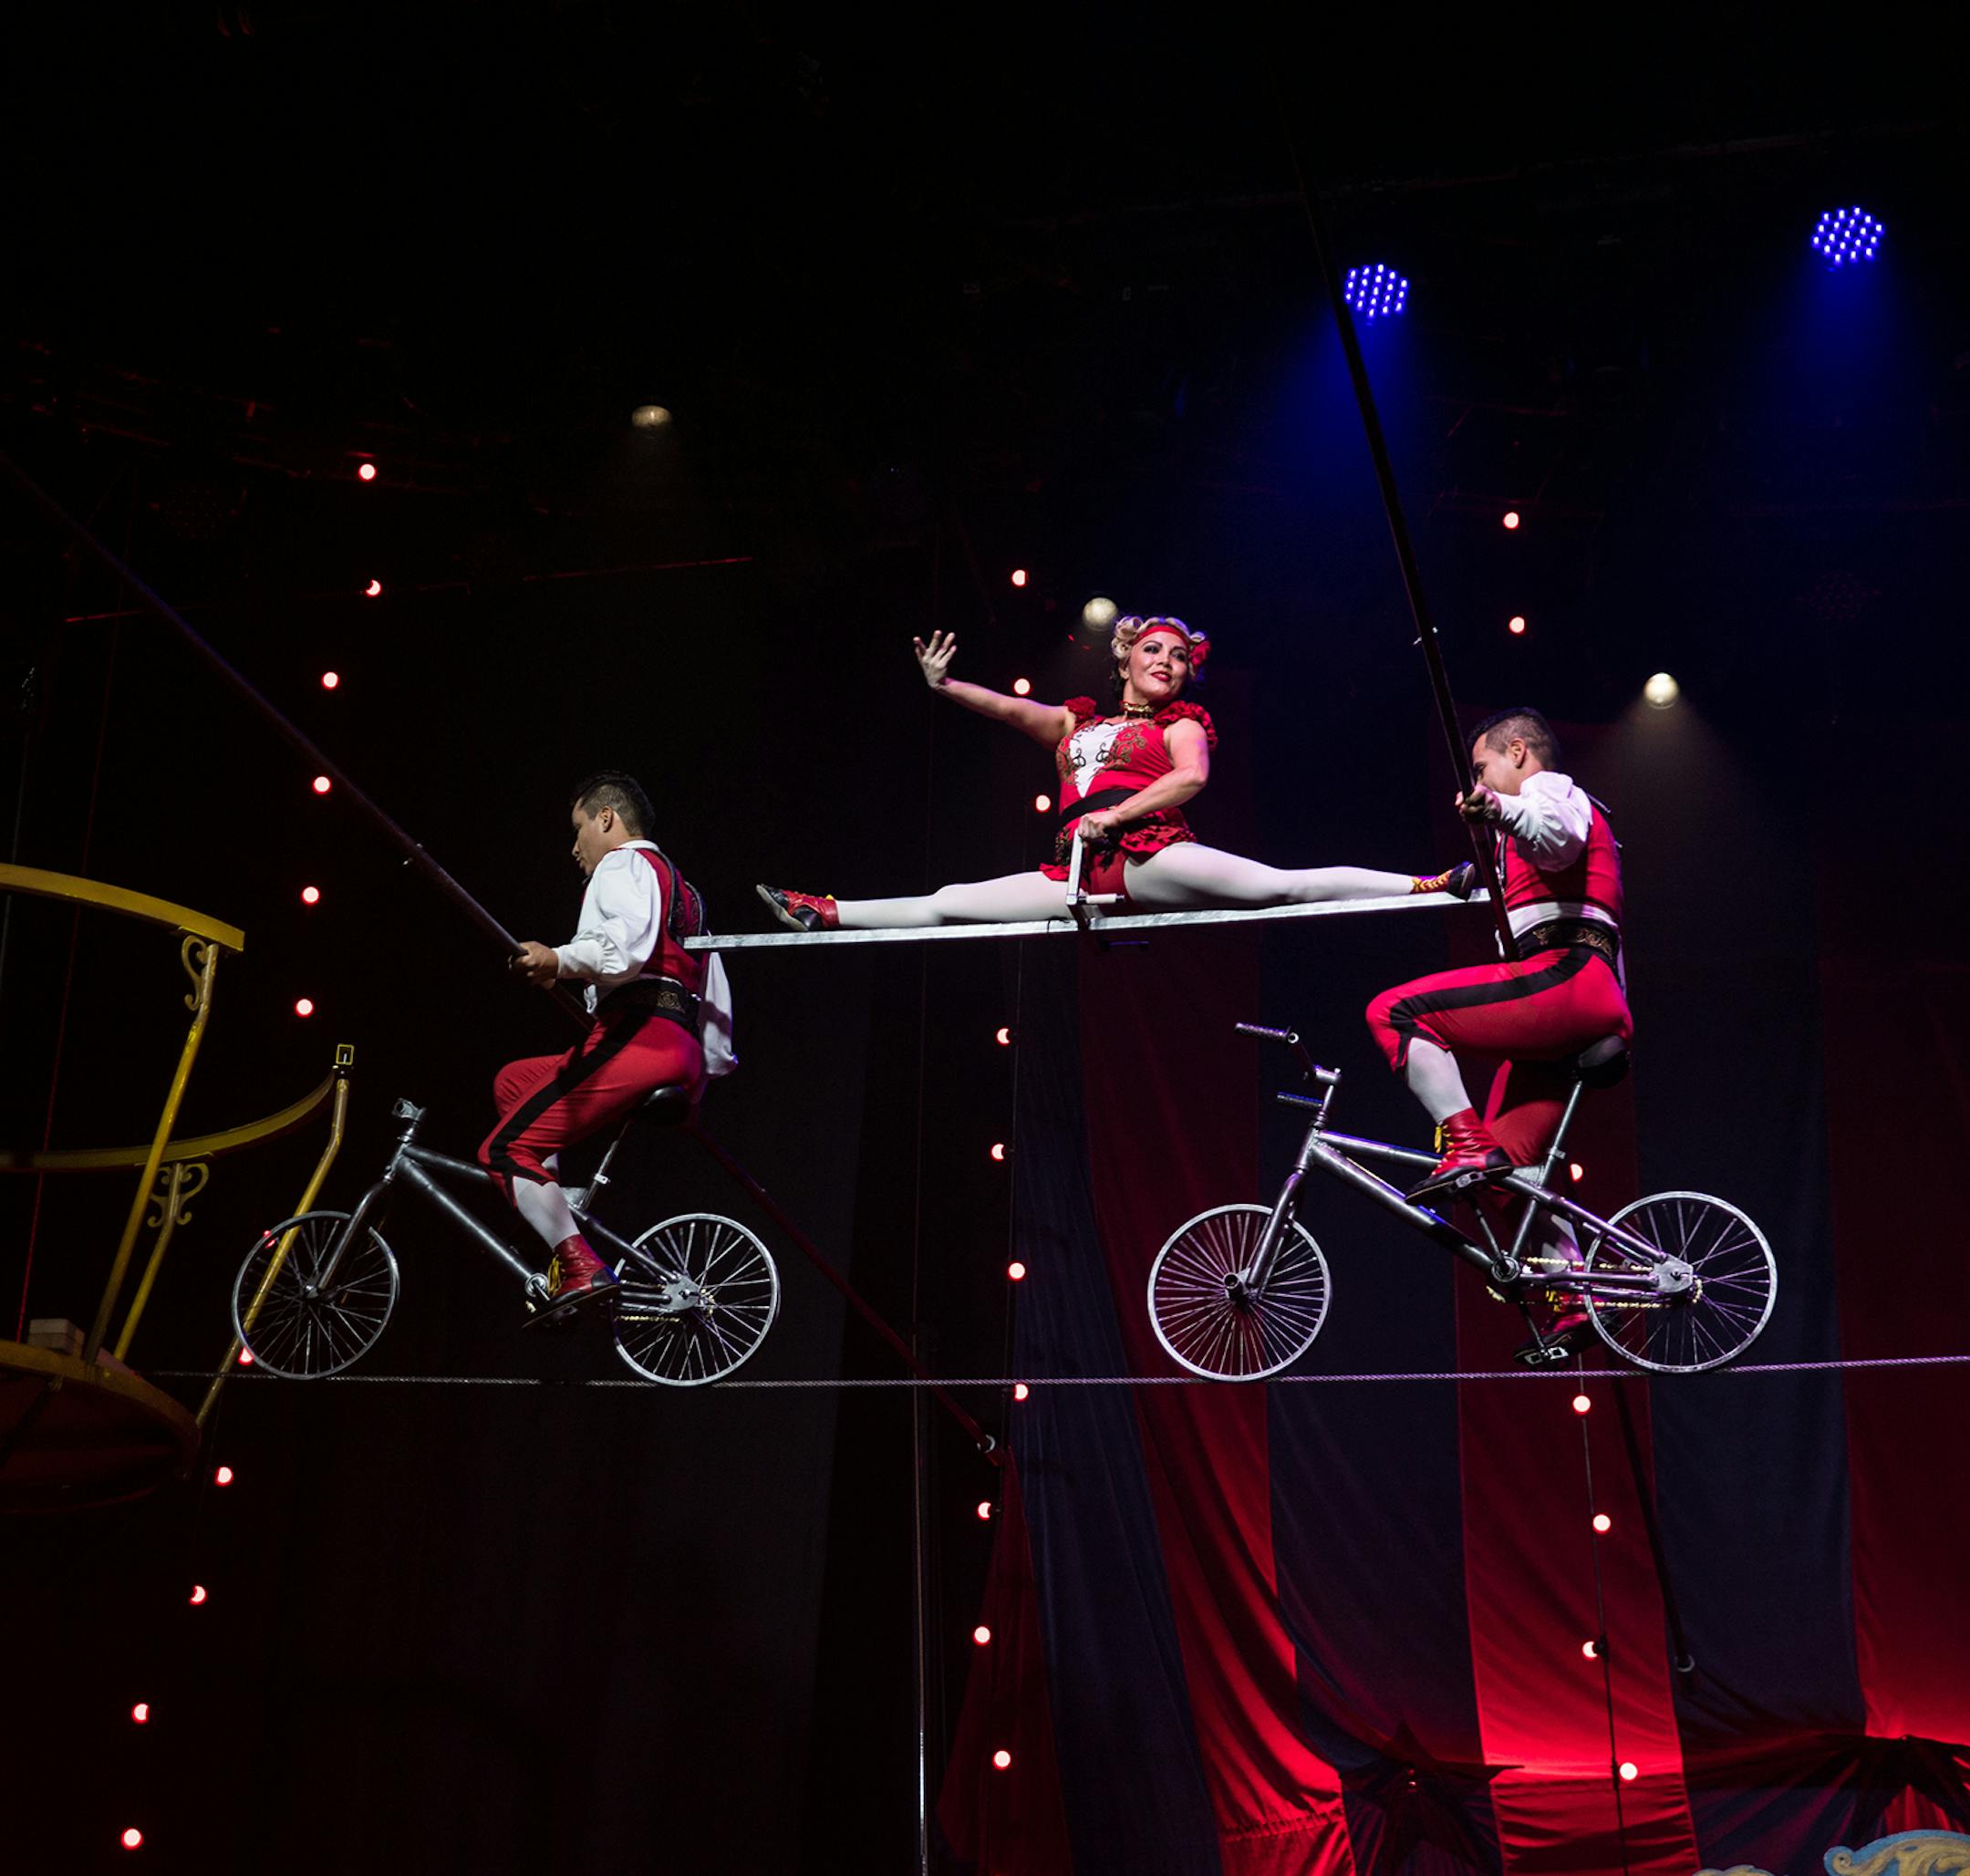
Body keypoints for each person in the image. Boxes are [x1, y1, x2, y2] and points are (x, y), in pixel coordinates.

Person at [758, 617, 1469, 930]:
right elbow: (1011, 710)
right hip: (1072, 870)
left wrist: (1117, 816)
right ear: (1125, 658)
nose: (1166, 661)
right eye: (1153, 650)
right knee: (950, 899)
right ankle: (826, 910)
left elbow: (1191, 780)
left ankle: (1425, 882)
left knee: (1279, 887)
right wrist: (945, 687)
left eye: (1179, 657)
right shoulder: (1078, 723)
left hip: (1150, 854)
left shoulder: (1181, 724)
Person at [1364, 707, 1631, 1351]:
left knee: (1396, 1011)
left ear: (1517, 752)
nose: (1477, 780)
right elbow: (1535, 864)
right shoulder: (1515, 839)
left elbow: (1556, 834)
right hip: (1574, 1004)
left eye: (1482, 767)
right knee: (1500, 1177)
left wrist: (1499, 811)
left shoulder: (1552, 792)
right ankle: (1574, 1297)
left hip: (1569, 979)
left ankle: (1462, 1141)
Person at [481, 772, 721, 1324]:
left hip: (639, 1036)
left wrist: (557, 960)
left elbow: (622, 944)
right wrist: (703, 1073)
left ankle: (578, 1262)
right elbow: (712, 989)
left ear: (606, 819)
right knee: (514, 1083)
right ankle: (557, 1204)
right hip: (677, 1045)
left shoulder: (624, 864)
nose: (575, 847)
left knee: (501, 1151)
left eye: (579, 828)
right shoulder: (685, 892)